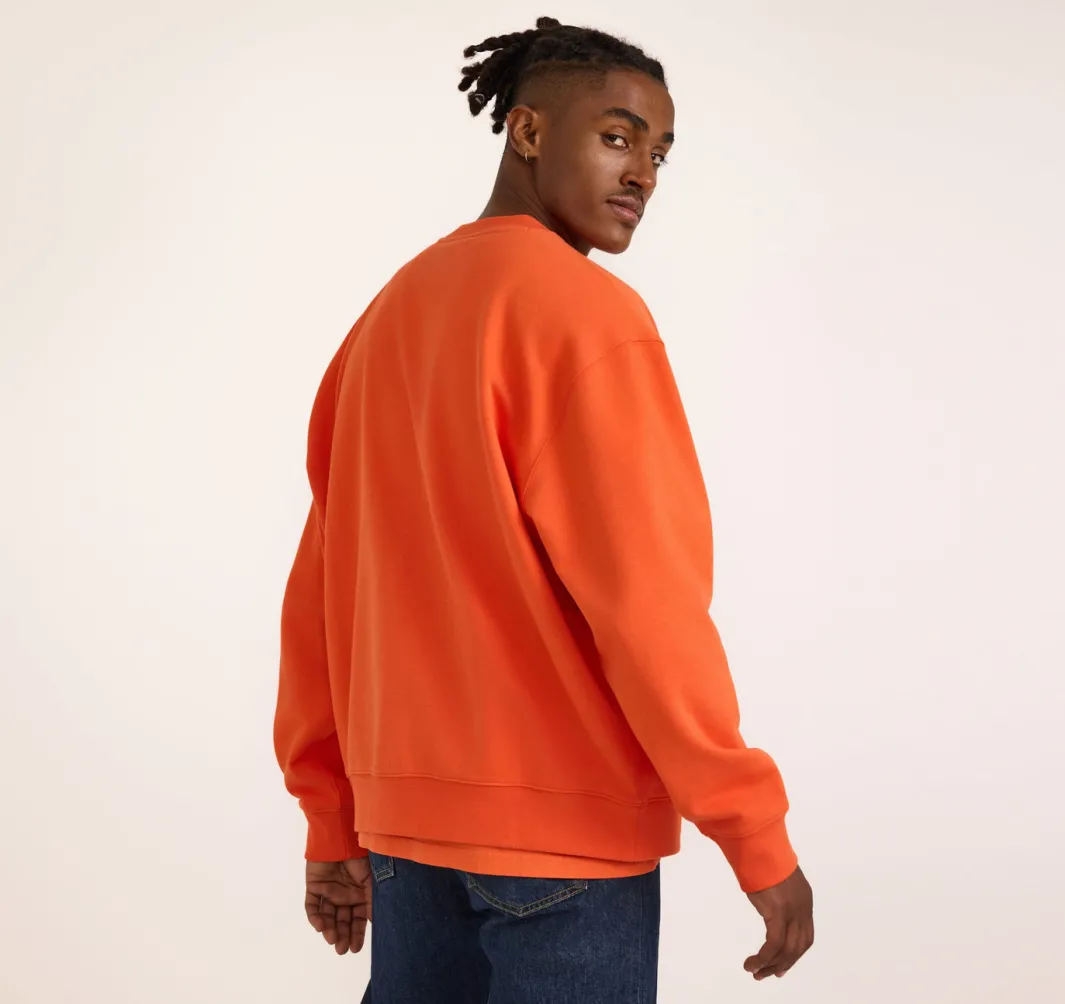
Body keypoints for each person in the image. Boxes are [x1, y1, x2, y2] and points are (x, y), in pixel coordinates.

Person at [273, 15, 814, 1002]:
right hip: (565, 844)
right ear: (526, 131)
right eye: (617, 136)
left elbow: (321, 589)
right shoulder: (584, 315)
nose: (643, 173)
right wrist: (754, 831)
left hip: (404, 836)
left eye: (659, 153)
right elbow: (646, 602)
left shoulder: (386, 317)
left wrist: (330, 816)